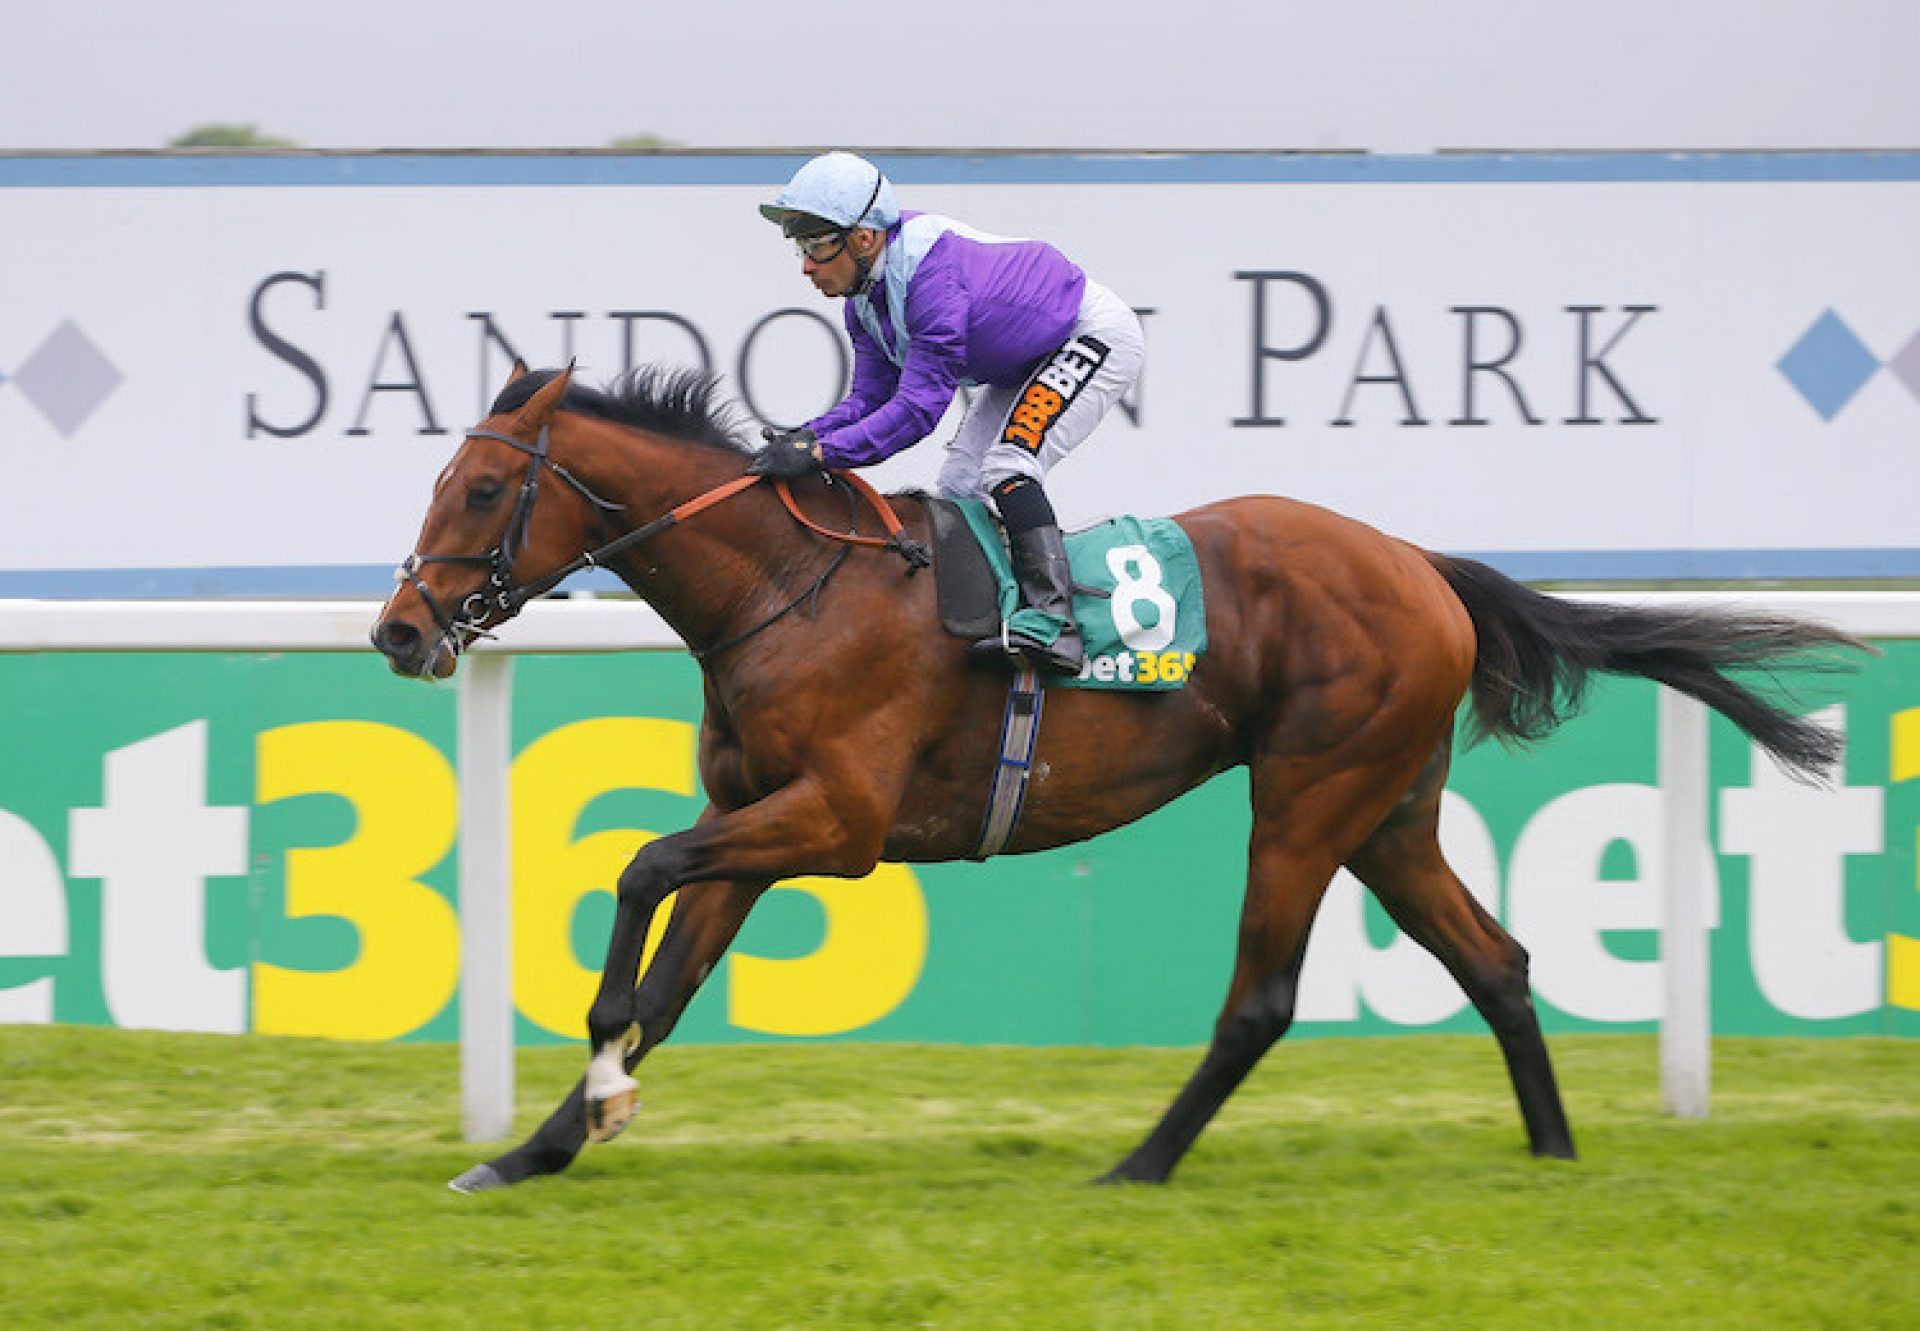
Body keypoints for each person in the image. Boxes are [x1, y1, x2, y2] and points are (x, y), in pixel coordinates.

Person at [751, 151, 1145, 676]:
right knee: (960, 484)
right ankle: (993, 617)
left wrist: (821, 454)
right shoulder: (861, 300)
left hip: (1089, 334)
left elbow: (916, 411)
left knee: (1009, 465)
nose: (806, 265)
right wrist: (804, 437)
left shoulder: (931, 282)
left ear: (864, 238)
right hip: (1025, 359)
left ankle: (1056, 624)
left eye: (818, 244)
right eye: (800, 246)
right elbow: (868, 401)